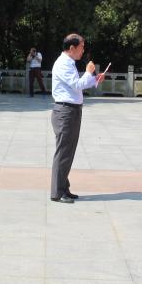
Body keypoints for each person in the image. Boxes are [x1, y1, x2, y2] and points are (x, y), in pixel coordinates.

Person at [50, 34, 105, 203]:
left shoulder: (69, 63)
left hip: (71, 110)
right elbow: (77, 84)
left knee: (68, 152)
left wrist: (94, 80)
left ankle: (63, 188)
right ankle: (57, 192)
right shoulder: (63, 64)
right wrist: (88, 72)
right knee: (63, 152)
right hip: (65, 111)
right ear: (72, 48)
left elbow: (77, 85)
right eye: (81, 47)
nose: (83, 50)